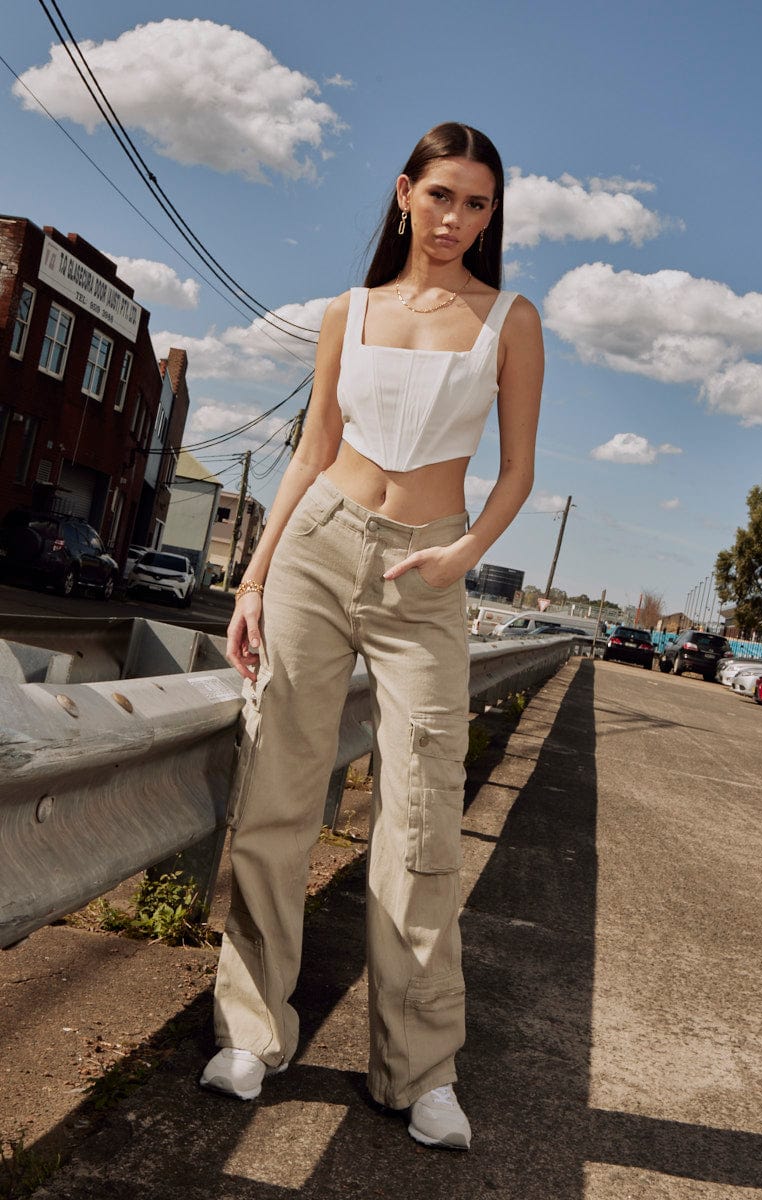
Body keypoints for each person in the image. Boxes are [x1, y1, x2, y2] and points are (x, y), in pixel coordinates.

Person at [200, 122, 544, 1150]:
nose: (454, 220)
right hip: (315, 549)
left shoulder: (507, 320)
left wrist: (462, 554)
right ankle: (252, 1032)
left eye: (476, 204)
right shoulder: (346, 312)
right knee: (278, 792)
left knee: (423, 817)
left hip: (427, 571)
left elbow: (517, 470)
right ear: (403, 194)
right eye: (440, 195)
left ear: (490, 216)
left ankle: (418, 1069)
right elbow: (310, 451)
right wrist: (253, 578)